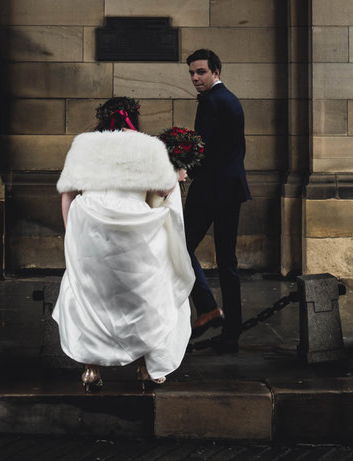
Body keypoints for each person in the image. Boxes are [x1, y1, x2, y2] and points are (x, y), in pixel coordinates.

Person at [52, 97, 194, 391]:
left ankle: (91, 370)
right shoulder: (146, 145)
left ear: (101, 119)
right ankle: (144, 366)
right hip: (135, 228)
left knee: (92, 294)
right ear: (135, 118)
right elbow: (164, 189)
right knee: (144, 295)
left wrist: (72, 235)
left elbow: (67, 193)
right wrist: (176, 174)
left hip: (90, 226)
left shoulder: (83, 145)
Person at [184, 49, 251, 353]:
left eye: (201, 72)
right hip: (232, 190)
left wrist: (181, 169)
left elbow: (203, 151)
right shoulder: (232, 100)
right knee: (228, 262)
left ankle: (208, 307)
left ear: (216, 71)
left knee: (178, 246)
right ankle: (232, 333)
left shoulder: (212, 102)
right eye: (192, 73)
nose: (196, 78)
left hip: (210, 191)